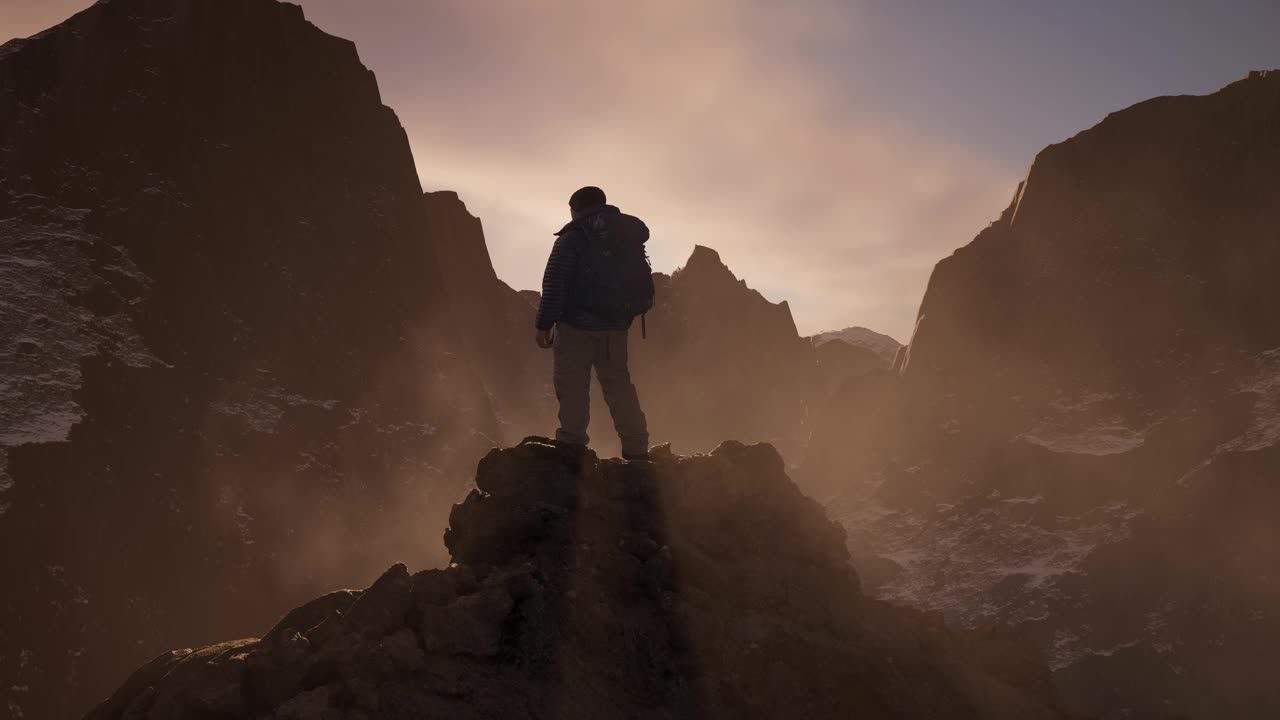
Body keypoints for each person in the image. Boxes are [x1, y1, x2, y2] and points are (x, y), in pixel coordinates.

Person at [535, 186, 652, 461]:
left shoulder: (572, 238)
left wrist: (544, 324)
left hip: (576, 326)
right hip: (616, 326)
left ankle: (572, 446)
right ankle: (637, 448)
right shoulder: (625, 235)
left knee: (573, 385)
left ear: (576, 208)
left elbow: (554, 283)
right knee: (619, 385)